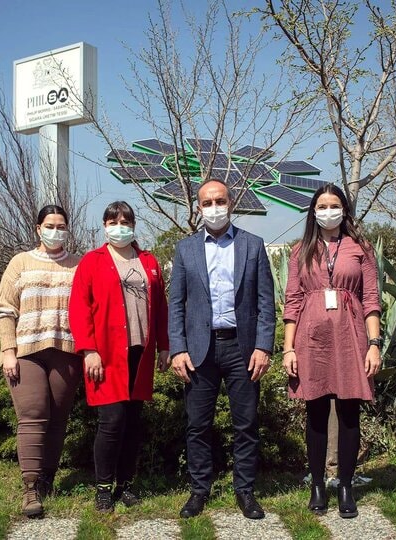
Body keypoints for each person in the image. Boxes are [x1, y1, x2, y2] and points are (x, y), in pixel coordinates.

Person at [168, 179, 276, 520]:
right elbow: (177, 304)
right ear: (198, 208)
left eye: (220, 200)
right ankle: (199, 490)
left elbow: (265, 302)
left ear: (231, 202)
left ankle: (245, 491)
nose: (214, 207)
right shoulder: (185, 249)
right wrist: (177, 348)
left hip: (242, 348)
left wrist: (263, 346)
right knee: (198, 426)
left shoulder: (253, 245)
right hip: (199, 350)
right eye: (207, 202)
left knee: (245, 424)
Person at [282, 183, 382, 518]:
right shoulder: (300, 250)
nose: (328, 211)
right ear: (313, 211)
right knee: (316, 412)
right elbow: (292, 302)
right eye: (322, 206)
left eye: (334, 205)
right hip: (311, 341)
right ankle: (318, 486)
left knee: (350, 411)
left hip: (351, 337)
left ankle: (345, 486)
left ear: (344, 209)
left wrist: (374, 344)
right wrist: (287, 349)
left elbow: (371, 300)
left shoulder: (360, 248)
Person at [69, 201, 170, 513]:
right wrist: (89, 350)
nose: (120, 226)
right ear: (104, 225)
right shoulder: (92, 261)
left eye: (125, 220)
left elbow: (161, 309)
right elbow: (78, 308)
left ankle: (126, 484)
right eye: (113, 221)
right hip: (107, 354)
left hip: (140, 351)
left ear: (133, 224)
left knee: (133, 422)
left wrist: (164, 346)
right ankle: (103, 486)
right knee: (111, 421)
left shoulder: (148, 261)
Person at [0, 205, 82, 518]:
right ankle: (30, 487)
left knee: (57, 419)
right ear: (38, 228)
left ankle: (47, 480)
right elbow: (4, 308)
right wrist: (8, 350)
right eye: (49, 225)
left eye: (61, 226)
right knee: (33, 415)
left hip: (67, 351)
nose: (55, 231)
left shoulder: (78, 265)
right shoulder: (21, 262)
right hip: (27, 351)